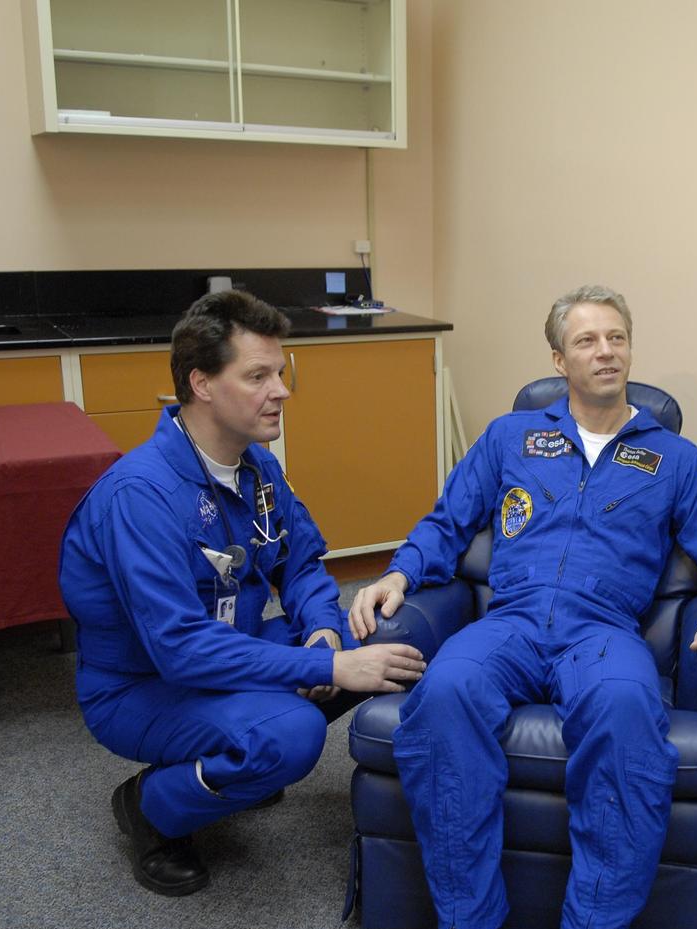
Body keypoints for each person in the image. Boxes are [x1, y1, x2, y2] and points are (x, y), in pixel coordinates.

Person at [348, 284, 697, 929]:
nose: (605, 351)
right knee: (445, 691)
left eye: (616, 337)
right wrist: (400, 570)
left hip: (602, 632)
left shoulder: (678, 459)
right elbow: (448, 520)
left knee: (628, 713)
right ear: (558, 358)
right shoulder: (510, 436)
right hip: (508, 622)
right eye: (586, 340)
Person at [59, 290, 424, 897]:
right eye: (258, 376)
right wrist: (326, 663)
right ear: (201, 384)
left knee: (389, 634)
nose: (281, 390)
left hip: (231, 646)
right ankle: (150, 809)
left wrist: (324, 630)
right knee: (292, 736)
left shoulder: (256, 466)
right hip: (145, 685)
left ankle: (244, 751)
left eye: (278, 373)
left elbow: (301, 562)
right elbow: (179, 649)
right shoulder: (140, 497)